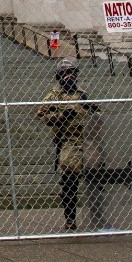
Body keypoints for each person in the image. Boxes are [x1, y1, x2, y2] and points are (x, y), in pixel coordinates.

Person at [36, 57, 106, 231]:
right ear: (59, 76)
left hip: (88, 140)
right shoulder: (54, 95)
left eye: (73, 73)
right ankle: (70, 218)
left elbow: (99, 113)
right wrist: (61, 117)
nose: (70, 77)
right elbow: (41, 114)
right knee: (69, 180)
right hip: (69, 141)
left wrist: (89, 107)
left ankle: (99, 217)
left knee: (97, 179)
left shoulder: (82, 93)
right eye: (66, 73)